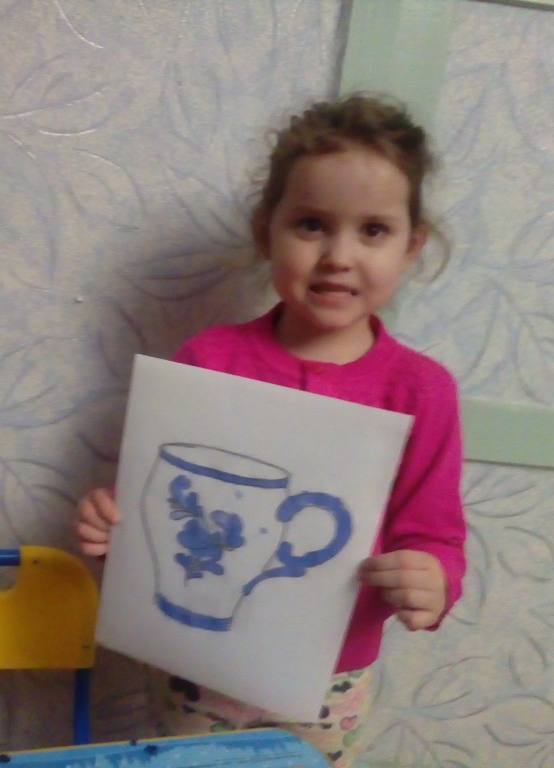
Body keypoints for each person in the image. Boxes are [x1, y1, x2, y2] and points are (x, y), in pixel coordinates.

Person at [75, 93, 466, 768]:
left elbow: (434, 535)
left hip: (331, 677)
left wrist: (433, 581)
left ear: (411, 246)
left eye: (373, 230)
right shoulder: (208, 361)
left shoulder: (422, 392)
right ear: (267, 232)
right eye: (312, 224)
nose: (339, 255)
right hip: (194, 661)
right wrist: (114, 529)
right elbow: (162, 510)